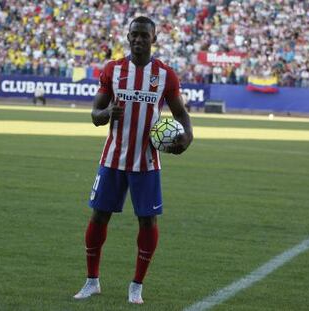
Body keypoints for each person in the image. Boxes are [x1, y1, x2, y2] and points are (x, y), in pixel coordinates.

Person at [73, 16, 193, 304]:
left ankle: (136, 286)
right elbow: (95, 115)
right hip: (113, 158)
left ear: (153, 39)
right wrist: (106, 115)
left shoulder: (165, 74)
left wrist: (186, 139)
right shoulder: (113, 70)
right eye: (133, 35)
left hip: (146, 162)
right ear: (128, 37)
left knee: (147, 221)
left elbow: (181, 115)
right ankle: (92, 281)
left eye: (143, 35)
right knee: (99, 216)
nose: (138, 39)